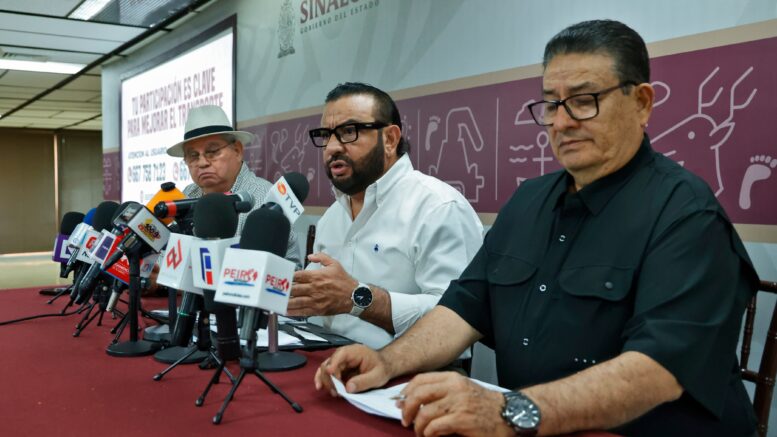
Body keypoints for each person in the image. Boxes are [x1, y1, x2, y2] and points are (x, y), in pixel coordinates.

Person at [313, 20, 760, 436]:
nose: (561, 122)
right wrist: (387, 362)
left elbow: (657, 369)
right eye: (551, 103)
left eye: (584, 100)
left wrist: (509, 411)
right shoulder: (528, 201)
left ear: (641, 103)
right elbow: (462, 310)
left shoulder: (687, 215)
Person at [288, 82, 483, 350]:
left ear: (390, 139)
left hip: (408, 372)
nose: (332, 147)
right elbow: (314, 299)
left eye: (348, 132)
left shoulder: (438, 207)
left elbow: (458, 316)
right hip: (324, 360)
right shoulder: (332, 216)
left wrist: (357, 298)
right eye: (325, 135)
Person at [166, 105, 300, 265]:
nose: (202, 163)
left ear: (237, 150)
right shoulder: (188, 194)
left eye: (212, 152)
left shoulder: (265, 199)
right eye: (193, 155)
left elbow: (287, 272)